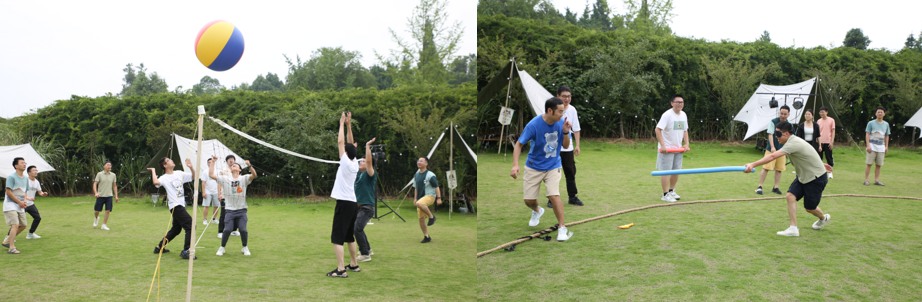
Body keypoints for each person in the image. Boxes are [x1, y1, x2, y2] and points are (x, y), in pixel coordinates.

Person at [744, 121, 834, 237]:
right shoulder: (792, 141)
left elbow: (772, 156)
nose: (776, 137)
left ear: (786, 133)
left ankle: (823, 218)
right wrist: (821, 164)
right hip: (803, 176)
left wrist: (752, 164)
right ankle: (793, 229)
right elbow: (807, 153)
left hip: (815, 179)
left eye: (778, 134)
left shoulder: (794, 143)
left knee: (810, 208)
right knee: (790, 196)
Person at [510, 97, 573, 242]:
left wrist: (565, 132)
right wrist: (515, 165)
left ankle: (562, 228)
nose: (562, 115)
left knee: (553, 195)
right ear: (550, 110)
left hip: (553, 165)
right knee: (529, 200)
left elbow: (565, 145)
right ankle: (537, 210)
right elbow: (519, 144)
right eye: (560, 112)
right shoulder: (534, 125)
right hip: (534, 166)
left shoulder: (561, 124)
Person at [327, 112, 360, 278]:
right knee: (349, 236)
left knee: (337, 238)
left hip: (344, 203)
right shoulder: (354, 162)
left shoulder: (346, 161)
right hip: (353, 204)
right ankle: (354, 264)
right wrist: (349, 125)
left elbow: (342, 142)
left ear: (345, 153)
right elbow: (349, 143)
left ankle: (341, 270)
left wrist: (341, 123)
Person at [149, 158, 197, 260]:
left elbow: (194, 176)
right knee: (191, 225)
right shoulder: (164, 178)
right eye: (169, 160)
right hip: (176, 206)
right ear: (165, 165)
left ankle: (159, 247)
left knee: (176, 229)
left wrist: (191, 167)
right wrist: (153, 170)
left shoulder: (179, 173)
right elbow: (156, 182)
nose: (172, 160)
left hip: (180, 205)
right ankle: (186, 251)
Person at [209, 156, 256, 256]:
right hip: (230, 210)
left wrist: (250, 166)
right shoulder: (225, 179)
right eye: (232, 165)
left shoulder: (244, 178)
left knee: (243, 230)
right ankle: (222, 247)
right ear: (230, 169)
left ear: (239, 169)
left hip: (242, 210)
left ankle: (244, 247)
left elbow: (254, 175)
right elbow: (211, 175)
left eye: (236, 165)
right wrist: (213, 162)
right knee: (228, 229)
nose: (233, 165)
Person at [547, 86, 584, 208]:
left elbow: (576, 129)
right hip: (554, 147)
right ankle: (551, 198)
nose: (566, 98)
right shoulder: (552, 109)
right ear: (558, 96)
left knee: (570, 172)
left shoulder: (572, 110)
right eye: (564, 96)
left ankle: (572, 197)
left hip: (568, 148)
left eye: (568, 96)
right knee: (552, 173)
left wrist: (577, 145)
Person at [654, 94, 690, 202]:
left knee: (676, 171)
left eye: (681, 102)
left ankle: (671, 191)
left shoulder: (683, 115)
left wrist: (686, 144)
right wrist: (663, 145)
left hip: (678, 149)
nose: (680, 104)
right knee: (666, 171)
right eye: (677, 102)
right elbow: (657, 129)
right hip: (667, 149)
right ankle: (665, 194)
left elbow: (685, 130)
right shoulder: (667, 115)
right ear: (672, 103)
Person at [756, 105, 790, 195]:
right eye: (781, 113)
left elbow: (790, 138)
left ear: (788, 114)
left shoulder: (789, 125)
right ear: (779, 113)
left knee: (779, 169)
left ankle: (776, 187)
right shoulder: (773, 122)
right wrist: (772, 147)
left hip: (782, 151)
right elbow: (770, 134)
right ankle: (760, 187)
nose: (783, 115)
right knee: (766, 167)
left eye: (785, 114)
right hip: (772, 150)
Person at [354, 138, 377, 262]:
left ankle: (365, 255)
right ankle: (368, 250)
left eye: (363, 161)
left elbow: (369, 161)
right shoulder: (359, 173)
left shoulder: (369, 174)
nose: (361, 162)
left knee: (357, 229)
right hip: (359, 207)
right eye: (360, 161)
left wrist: (367, 146)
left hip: (366, 207)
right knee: (357, 228)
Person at [13, 166, 48, 240]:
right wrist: (28, 198)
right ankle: (9, 236)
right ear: (29, 173)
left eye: (36, 170)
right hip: (23, 204)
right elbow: (19, 191)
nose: (36, 171)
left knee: (37, 218)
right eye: (33, 170)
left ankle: (30, 234)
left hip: (31, 204)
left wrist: (43, 194)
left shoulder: (36, 182)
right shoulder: (24, 180)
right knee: (17, 222)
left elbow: (40, 192)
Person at [2, 157, 29, 254]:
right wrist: (19, 202)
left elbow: (25, 191)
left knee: (23, 225)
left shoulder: (25, 178)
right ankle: (11, 248)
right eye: (22, 163)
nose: (24, 164)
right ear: (16, 166)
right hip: (10, 205)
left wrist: (24, 201)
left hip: (20, 205)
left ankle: (6, 241)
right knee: (15, 225)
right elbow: (8, 192)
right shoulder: (11, 177)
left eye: (25, 163)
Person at [413, 156, 442, 243]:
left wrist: (439, 198)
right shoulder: (416, 175)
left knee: (419, 203)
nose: (419, 162)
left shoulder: (430, 175)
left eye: (421, 161)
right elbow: (415, 188)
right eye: (418, 161)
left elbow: (436, 186)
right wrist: (415, 198)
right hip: (420, 200)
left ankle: (432, 216)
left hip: (430, 196)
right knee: (421, 218)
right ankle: (427, 236)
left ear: (426, 163)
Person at [864, 106, 890, 186]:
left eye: (881, 112)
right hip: (872, 146)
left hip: (881, 147)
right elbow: (867, 134)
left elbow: (887, 136)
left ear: (884, 114)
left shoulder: (886, 124)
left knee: (879, 165)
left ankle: (876, 180)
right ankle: (866, 180)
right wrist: (868, 145)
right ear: (876, 113)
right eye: (878, 112)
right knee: (869, 164)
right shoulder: (871, 123)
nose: (880, 113)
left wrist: (886, 146)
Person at [217, 155, 240, 238]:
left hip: (234, 196)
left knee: (236, 213)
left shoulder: (236, 171)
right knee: (224, 214)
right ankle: (220, 231)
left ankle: (234, 230)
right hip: (224, 195)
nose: (231, 161)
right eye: (229, 159)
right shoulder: (224, 171)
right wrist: (219, 193)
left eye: (232, 159)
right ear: (227, 161)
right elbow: (219, 182)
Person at [93, 161, 119, 231]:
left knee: (108, 210)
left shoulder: (113, 175)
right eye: (107, 165)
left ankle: (104, 225)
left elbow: (114, 186)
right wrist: (96, 193)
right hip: (100, 195)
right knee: (96, 211)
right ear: (104, 166)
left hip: (109, 196)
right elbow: (95, 184)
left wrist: (116, 196)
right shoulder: (99, 174)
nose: (109, 166)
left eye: (110, 165)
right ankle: (96, 218)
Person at [795, 109, 822, 175]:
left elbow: (818, 136)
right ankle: (803, 171)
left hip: (813, 144)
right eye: (806, 114)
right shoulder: (801, 125)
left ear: (812, 116)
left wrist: (820, 145)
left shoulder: (816, 125)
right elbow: (798, 137)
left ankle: (813, 172)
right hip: (804, 144)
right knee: (803, 158)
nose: (807, 115)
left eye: (809, 114)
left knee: (812, 158)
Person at [816, 107, 836, 178]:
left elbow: (833, 131)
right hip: (820, 142)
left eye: (823, 112)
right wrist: (817, 142)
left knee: (829, 157)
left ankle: (830, 173)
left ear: (827, 112)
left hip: (828, 141)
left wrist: (832, 142)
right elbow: (817, 132)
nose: (821, 113)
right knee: (819, 157)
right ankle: (820, 172)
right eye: (820, 112)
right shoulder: (818, 121)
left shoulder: (831, 120)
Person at [201, 157, 220, 226]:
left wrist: (219, 192)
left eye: (212, 162)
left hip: (216, 191)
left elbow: (219, 181)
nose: (210, 163)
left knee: (216, 205)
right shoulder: (205, 172)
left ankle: (214, 219)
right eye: (209, 162)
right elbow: (203, 182)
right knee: (206, 206)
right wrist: (203, 192)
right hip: (207, 191)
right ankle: (205, 219)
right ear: (207, 163)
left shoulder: (218, 171)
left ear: (214, 163)